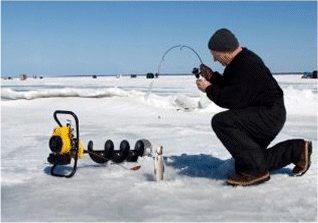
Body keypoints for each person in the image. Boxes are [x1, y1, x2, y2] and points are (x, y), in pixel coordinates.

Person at [196, 28, 312, 186]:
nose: (215, 60)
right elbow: (234, 87)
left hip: (268, 115)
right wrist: (214, 77)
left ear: (224, 52)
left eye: (214, 55)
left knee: (222, 121)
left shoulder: (245, 65)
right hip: (267, 113)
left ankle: (256, 172)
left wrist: (208, 89)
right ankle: (296, 150)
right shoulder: (241, 61)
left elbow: (230, 99)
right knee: (247, 160)